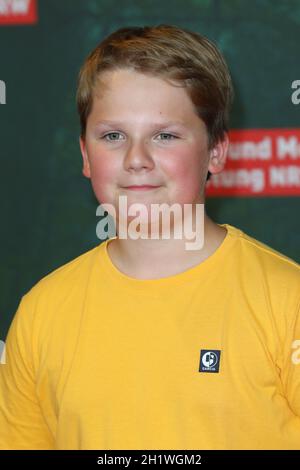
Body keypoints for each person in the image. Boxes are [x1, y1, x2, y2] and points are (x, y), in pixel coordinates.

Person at [0, 24, 299, 450]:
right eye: (113, 136)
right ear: (85, 155)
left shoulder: (287, 302)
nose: (136, 159)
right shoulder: (41, 314)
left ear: (216, 151)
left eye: (165, 135)